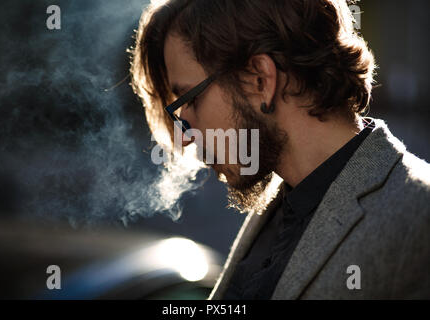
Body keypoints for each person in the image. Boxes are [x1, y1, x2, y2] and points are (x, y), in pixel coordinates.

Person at [129, 0, 430, 299]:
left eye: (189, 101)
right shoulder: (280, 203)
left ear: (261, 80)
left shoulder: (419, 214)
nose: (183, 137)